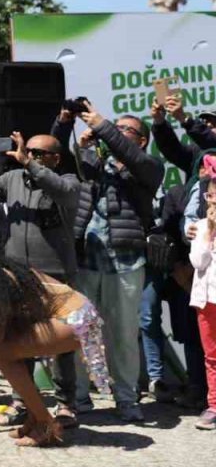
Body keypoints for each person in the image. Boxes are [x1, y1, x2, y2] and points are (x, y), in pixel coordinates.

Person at [55, 101, 164, 421]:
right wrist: (65, 124)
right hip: (87, 260)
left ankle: (128, 399)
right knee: (77, 331)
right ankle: (77, 398)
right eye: (114, 128)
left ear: (141, 140)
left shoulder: (149, 167)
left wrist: (104, 126)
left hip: (126, 262)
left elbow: (132, 157)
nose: (116, 133)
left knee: (123, 334)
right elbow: (51, 155)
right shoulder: (92, 164)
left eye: (124, 129)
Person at [0, 242, 111, 447]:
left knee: (3, 353)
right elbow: (5, 331)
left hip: (76, 318)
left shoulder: (0, 281)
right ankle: (34, 418)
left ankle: (45, 424)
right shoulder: (0, 276)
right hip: (80, 315)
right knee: (6, 349)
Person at [0, 131, 81, 428]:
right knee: (19, 336)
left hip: (55, 273)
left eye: (38, 153)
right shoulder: (13, 179)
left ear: (55, 158)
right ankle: (23, 400)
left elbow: (63, 192)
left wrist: (30, 164)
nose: (30, 155)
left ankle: (66, 404)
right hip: (17, 274)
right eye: (28, 150)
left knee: (60, 342)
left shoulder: (68, 180)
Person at [144, 94, 216, 408]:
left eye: (212, 124)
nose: (208, 128)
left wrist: (186, 119)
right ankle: (200, 391)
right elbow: (173, 149)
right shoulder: (196, 167)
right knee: (197, 336)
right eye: (205, 122)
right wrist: (161, 123)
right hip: (195, 268)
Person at [186, 175, 216, 429]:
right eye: (209, 196)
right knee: (211, 355)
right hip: (207, 300)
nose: (212, 200)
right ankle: (214, 405)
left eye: (215, 195)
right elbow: (198, 262)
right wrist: (209, 232)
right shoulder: (202, 226)